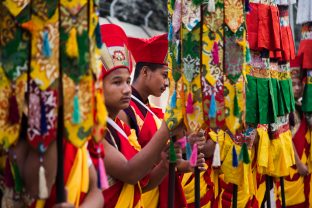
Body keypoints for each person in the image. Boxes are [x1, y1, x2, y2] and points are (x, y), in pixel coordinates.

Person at [96, 23, 201, 208]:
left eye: (127, 81)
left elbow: (142, 182)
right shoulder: (115, 119)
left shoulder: (122, 126)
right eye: (117, 82)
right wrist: (166, 131)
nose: (126, 89)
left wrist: (171, 158)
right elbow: (130, 172)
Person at [117, 34, 190, 208]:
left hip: (157, 191)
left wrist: (188, 162)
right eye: (164, 76)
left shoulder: (151, 111)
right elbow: (132, 163)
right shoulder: (125, 110)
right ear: (144, 72)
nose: (166, 83)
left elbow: (166, 157)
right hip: (141, 195)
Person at [274, 56, 311, 207]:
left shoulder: (303, 107)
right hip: (293, 167)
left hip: (305, 169)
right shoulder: (284, 109)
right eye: (293, 84)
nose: (297, 88)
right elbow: (286, 139)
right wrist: (299, 164)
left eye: (299, 85)